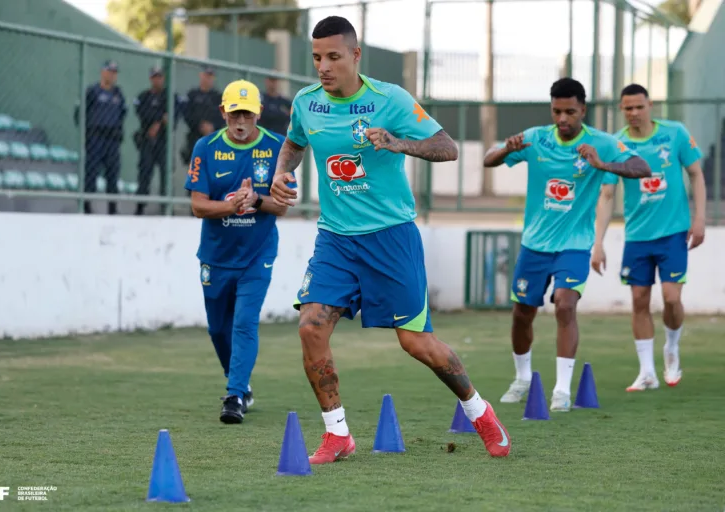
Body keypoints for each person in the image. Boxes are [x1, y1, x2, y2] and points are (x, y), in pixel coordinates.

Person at [270, 15, 512, 463]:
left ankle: (480, 413)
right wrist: (283, 172)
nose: (323, 66)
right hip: (336, 239)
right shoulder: (306, 102)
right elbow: (294, 143)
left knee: (416, 343)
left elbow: (448, 147)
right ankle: (337, 434)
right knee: (310, 327)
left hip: (391, 238)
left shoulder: (390, 99)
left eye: (334, 57)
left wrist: (401, 143)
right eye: (317, 57)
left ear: (355, 55)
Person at [483, 78, 651, 412]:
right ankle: (523, 378)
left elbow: (641, 167)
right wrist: (507, 149)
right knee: (521, 314)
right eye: (557, 111)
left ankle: (561, 389)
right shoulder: (535, 138)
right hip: (534, 246)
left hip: (574, 246)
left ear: (583, 110)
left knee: (565, 304)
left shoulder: (600, 142)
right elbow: (489, 160)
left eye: (570, 112)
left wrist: (603, 166)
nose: (563, 118)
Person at [185, 79, 291, 424]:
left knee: (245, 322)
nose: (241, 121)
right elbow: (198, 206)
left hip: (257, 254)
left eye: (247, 113)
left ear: (259, 112)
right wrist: (231, 207)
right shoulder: (205, 147)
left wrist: (256, 200)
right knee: (218, 329)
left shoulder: (278, 148)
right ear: (223, 113)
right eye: (234, 114)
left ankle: (234, 395)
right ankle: (241, 385)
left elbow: (282, 207)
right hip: (215, 255)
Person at [591, 83, 706, 391]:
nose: (634, 113)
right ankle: (647, 372)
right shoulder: (616, 144)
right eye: (628, 108)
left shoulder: (675, 133)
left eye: (639, 107)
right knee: (639, 301)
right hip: (637, 237)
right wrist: (598, 242)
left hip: (673, 233)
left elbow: (696, 173)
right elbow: (606, 194)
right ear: (621, 109)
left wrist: (699, 219)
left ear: (650, 105)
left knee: (671, 298)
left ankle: (671, 348)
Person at [74, 60, 127, 215]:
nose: (112, 75)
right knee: (91, 173)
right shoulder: (92, 91)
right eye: (109, 71)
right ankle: (86, 206)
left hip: (112, 140)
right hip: (95, 138)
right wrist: (88, 133)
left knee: (113, 174)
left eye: (114, 72)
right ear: (103, 72)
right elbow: (80, 114)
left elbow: (122, 115)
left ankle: (112, 208)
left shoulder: (118, 94)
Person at [133, 66, 182, 215]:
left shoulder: (170, 97)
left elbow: (175, 115)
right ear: (150, 78)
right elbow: (143, 114)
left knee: (166, 175)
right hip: (147, 140)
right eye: (154, 76)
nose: (157, 79)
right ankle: (140, 207)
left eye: (160, 76)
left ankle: (166, 207)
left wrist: (159, 121)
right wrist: (161, 117)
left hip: (163, 141)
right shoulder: (143, 96)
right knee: (144, 174)